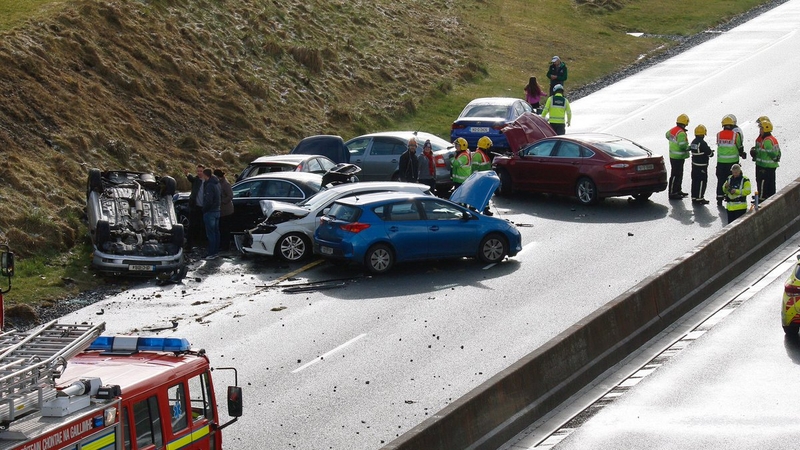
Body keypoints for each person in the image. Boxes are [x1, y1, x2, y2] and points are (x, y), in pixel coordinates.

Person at [714, 114, 746, 206]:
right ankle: (729, 197)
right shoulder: (735, 135)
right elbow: (739, 146)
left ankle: (719, 198)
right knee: (731, 180)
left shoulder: (718, 135)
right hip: (732, 162)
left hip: (720, 162)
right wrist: (742, 153)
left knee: (721, 180)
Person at [750, 119, 780, 201]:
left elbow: (769, 152)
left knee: (763, 182)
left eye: (761, 129)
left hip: (765, 166)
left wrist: (755, 153)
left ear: (765, 129)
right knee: (770, 184)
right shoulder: (772, 139)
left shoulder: (766, 141)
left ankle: (762, 199)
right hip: (770, 166)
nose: (760, 130)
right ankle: (769, 197)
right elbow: (778, 152)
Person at [666, 114, 690, 200]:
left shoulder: (673, 130)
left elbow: (667, 135)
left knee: (678, 174)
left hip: (673, 156)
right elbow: (682, 145)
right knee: (676, 174)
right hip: (678, 156)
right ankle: (672, 192)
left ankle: (678, 190)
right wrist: (689, 148)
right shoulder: (681, 133)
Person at [689, 125, 713, 205]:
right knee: (702, 181)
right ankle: (700, 198)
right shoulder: (702, 143)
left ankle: (694, 197)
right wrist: (711, 152)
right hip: (702, 165)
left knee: (695, 181)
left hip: (694, 165)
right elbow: (709, 153)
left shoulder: (693, 142)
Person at [201, 168, 221, 260]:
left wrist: (204, 209)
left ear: (206, 175)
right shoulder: (217, 184)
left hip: (210, 212)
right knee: (216, 232)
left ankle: (211, 253)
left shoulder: (209, 185)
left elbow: (209, 200)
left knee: (211, 233)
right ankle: (216, 252)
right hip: (217, 211)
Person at [185, 164, 205, 249]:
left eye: (201, 171)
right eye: (198, 171)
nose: (199, 173)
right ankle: (189, 244)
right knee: (192, 225)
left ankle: (200, 244)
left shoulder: (207, 181)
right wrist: (187, 174)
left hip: (203, 207)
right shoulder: (196, 179)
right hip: (195, 206)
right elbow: (191, 179)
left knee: (202, 226)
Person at [214, 169, 234, 252]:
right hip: (222, 210)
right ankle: (223, 245)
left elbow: (230, 195)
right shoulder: (220, 183)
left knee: (225, 229)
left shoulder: (225, 184)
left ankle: (225, 246)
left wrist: (222, 201)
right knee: (222, 229)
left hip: (226, 210)